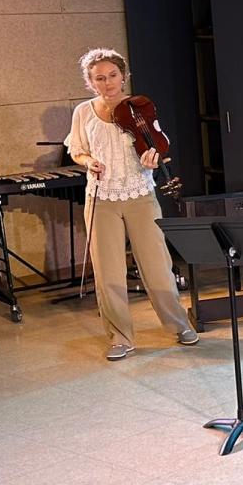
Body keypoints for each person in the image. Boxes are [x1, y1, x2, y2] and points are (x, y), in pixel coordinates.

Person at [65, 48, 197, 361]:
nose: (108, 83)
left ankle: (179, 325)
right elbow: (76, 150)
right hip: (101, 197)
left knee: (157, 266)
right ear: (90, 82)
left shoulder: (139, 107)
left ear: (123, 76)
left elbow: (160, 143)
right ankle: (120, 337)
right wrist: (88, 161)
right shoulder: (83, 112)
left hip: (140, 194)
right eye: (99, 78)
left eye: (113, 75)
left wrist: (153, 158)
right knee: (108, 273)